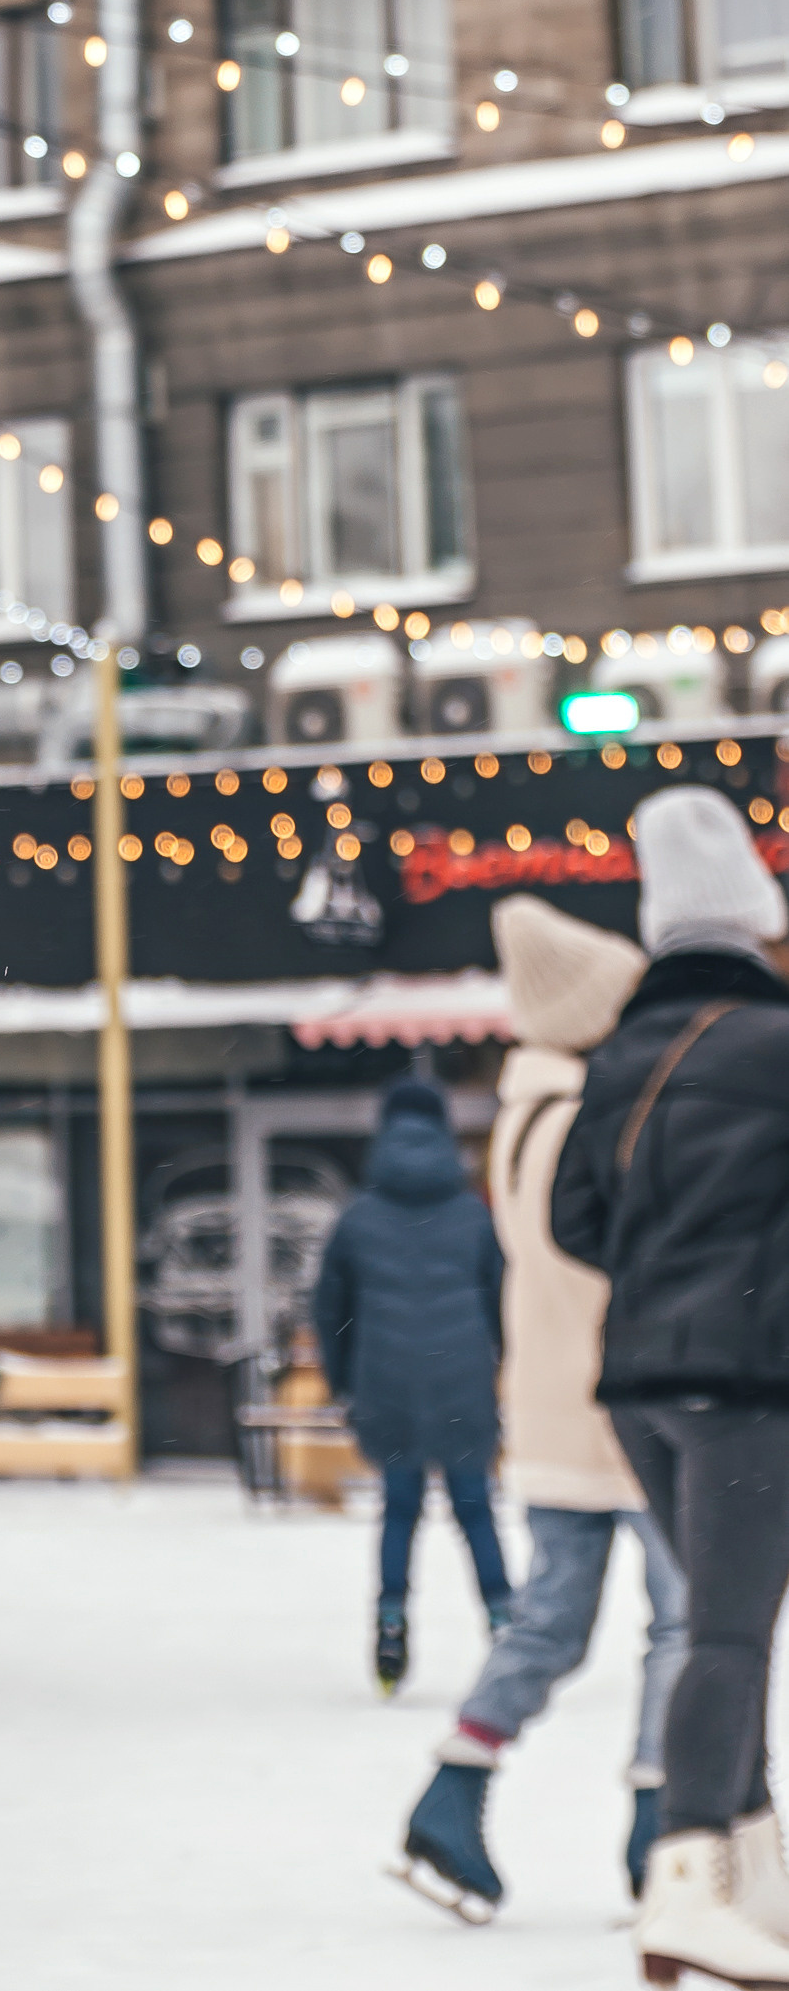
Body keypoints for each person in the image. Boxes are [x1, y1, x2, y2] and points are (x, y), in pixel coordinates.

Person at [396, 897, 684, 1921]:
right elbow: (617, 1260)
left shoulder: (527, 1109)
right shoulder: (587, 1117)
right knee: (683, 1619)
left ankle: (454, 1784)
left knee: (552, 1622)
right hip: (628, 1405)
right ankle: (665, 1833)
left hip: (560, 1408)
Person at [553, 783, 789, 1986]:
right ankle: (692, 1870)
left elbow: (573, 1221)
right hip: (746, 1383)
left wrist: (672, 1270)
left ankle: (753, 1878)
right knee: (729, 1631)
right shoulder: (776, 1045)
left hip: (640, 1384)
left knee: (720, 1625)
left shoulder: (622, 1054)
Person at [311, 1075, 507, 1693]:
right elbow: (502, 1299)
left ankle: (391, 1626)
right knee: (475, 1507)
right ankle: (505, 1625)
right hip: (463, 1378)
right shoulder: (473, 1214)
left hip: (386, 1379)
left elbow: (330, 1310)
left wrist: (344, 1380)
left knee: (400, 1509)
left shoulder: (357, 1219)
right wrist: (493, 1363)